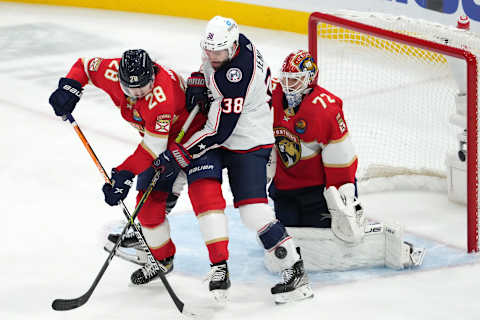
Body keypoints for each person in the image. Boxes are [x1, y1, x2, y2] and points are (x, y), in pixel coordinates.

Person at [150, 16, 313, 304]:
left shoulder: (237, 75)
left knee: (252, 212)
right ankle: (151, 231)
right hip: (227, 130)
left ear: (233, 47)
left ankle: (294, 269)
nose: (212, 56)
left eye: (218, 52)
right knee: (178, 175)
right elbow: (208, 66)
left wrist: (180, 151)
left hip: (248, 140)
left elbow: (217, 130)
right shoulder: (228, 45)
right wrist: (200, 80)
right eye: (209, 50)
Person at [48, 49, 206, 285]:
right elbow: (84, 65)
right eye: (130, 88)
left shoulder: (161, 98)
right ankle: (158, 251)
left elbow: (153, 148)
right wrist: (69, 88)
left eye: (142, 87)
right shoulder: (111, 72)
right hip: (160, 139)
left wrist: (124, 173)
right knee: (148, 205)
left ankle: (160, 254)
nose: (136, 94)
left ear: (152, 75)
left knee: (153, 198)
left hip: (188, 138)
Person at [265, 50, 426, 272]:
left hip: (316, 192)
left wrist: (343, 197)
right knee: (289, 238)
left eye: (295, 79)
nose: (288, 84)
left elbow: (341, 159)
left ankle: (387, 243)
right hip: (286, 188)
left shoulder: (324, 111)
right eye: (286, 78)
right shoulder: (273, 95)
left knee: (335, 243)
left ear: (310, 79)